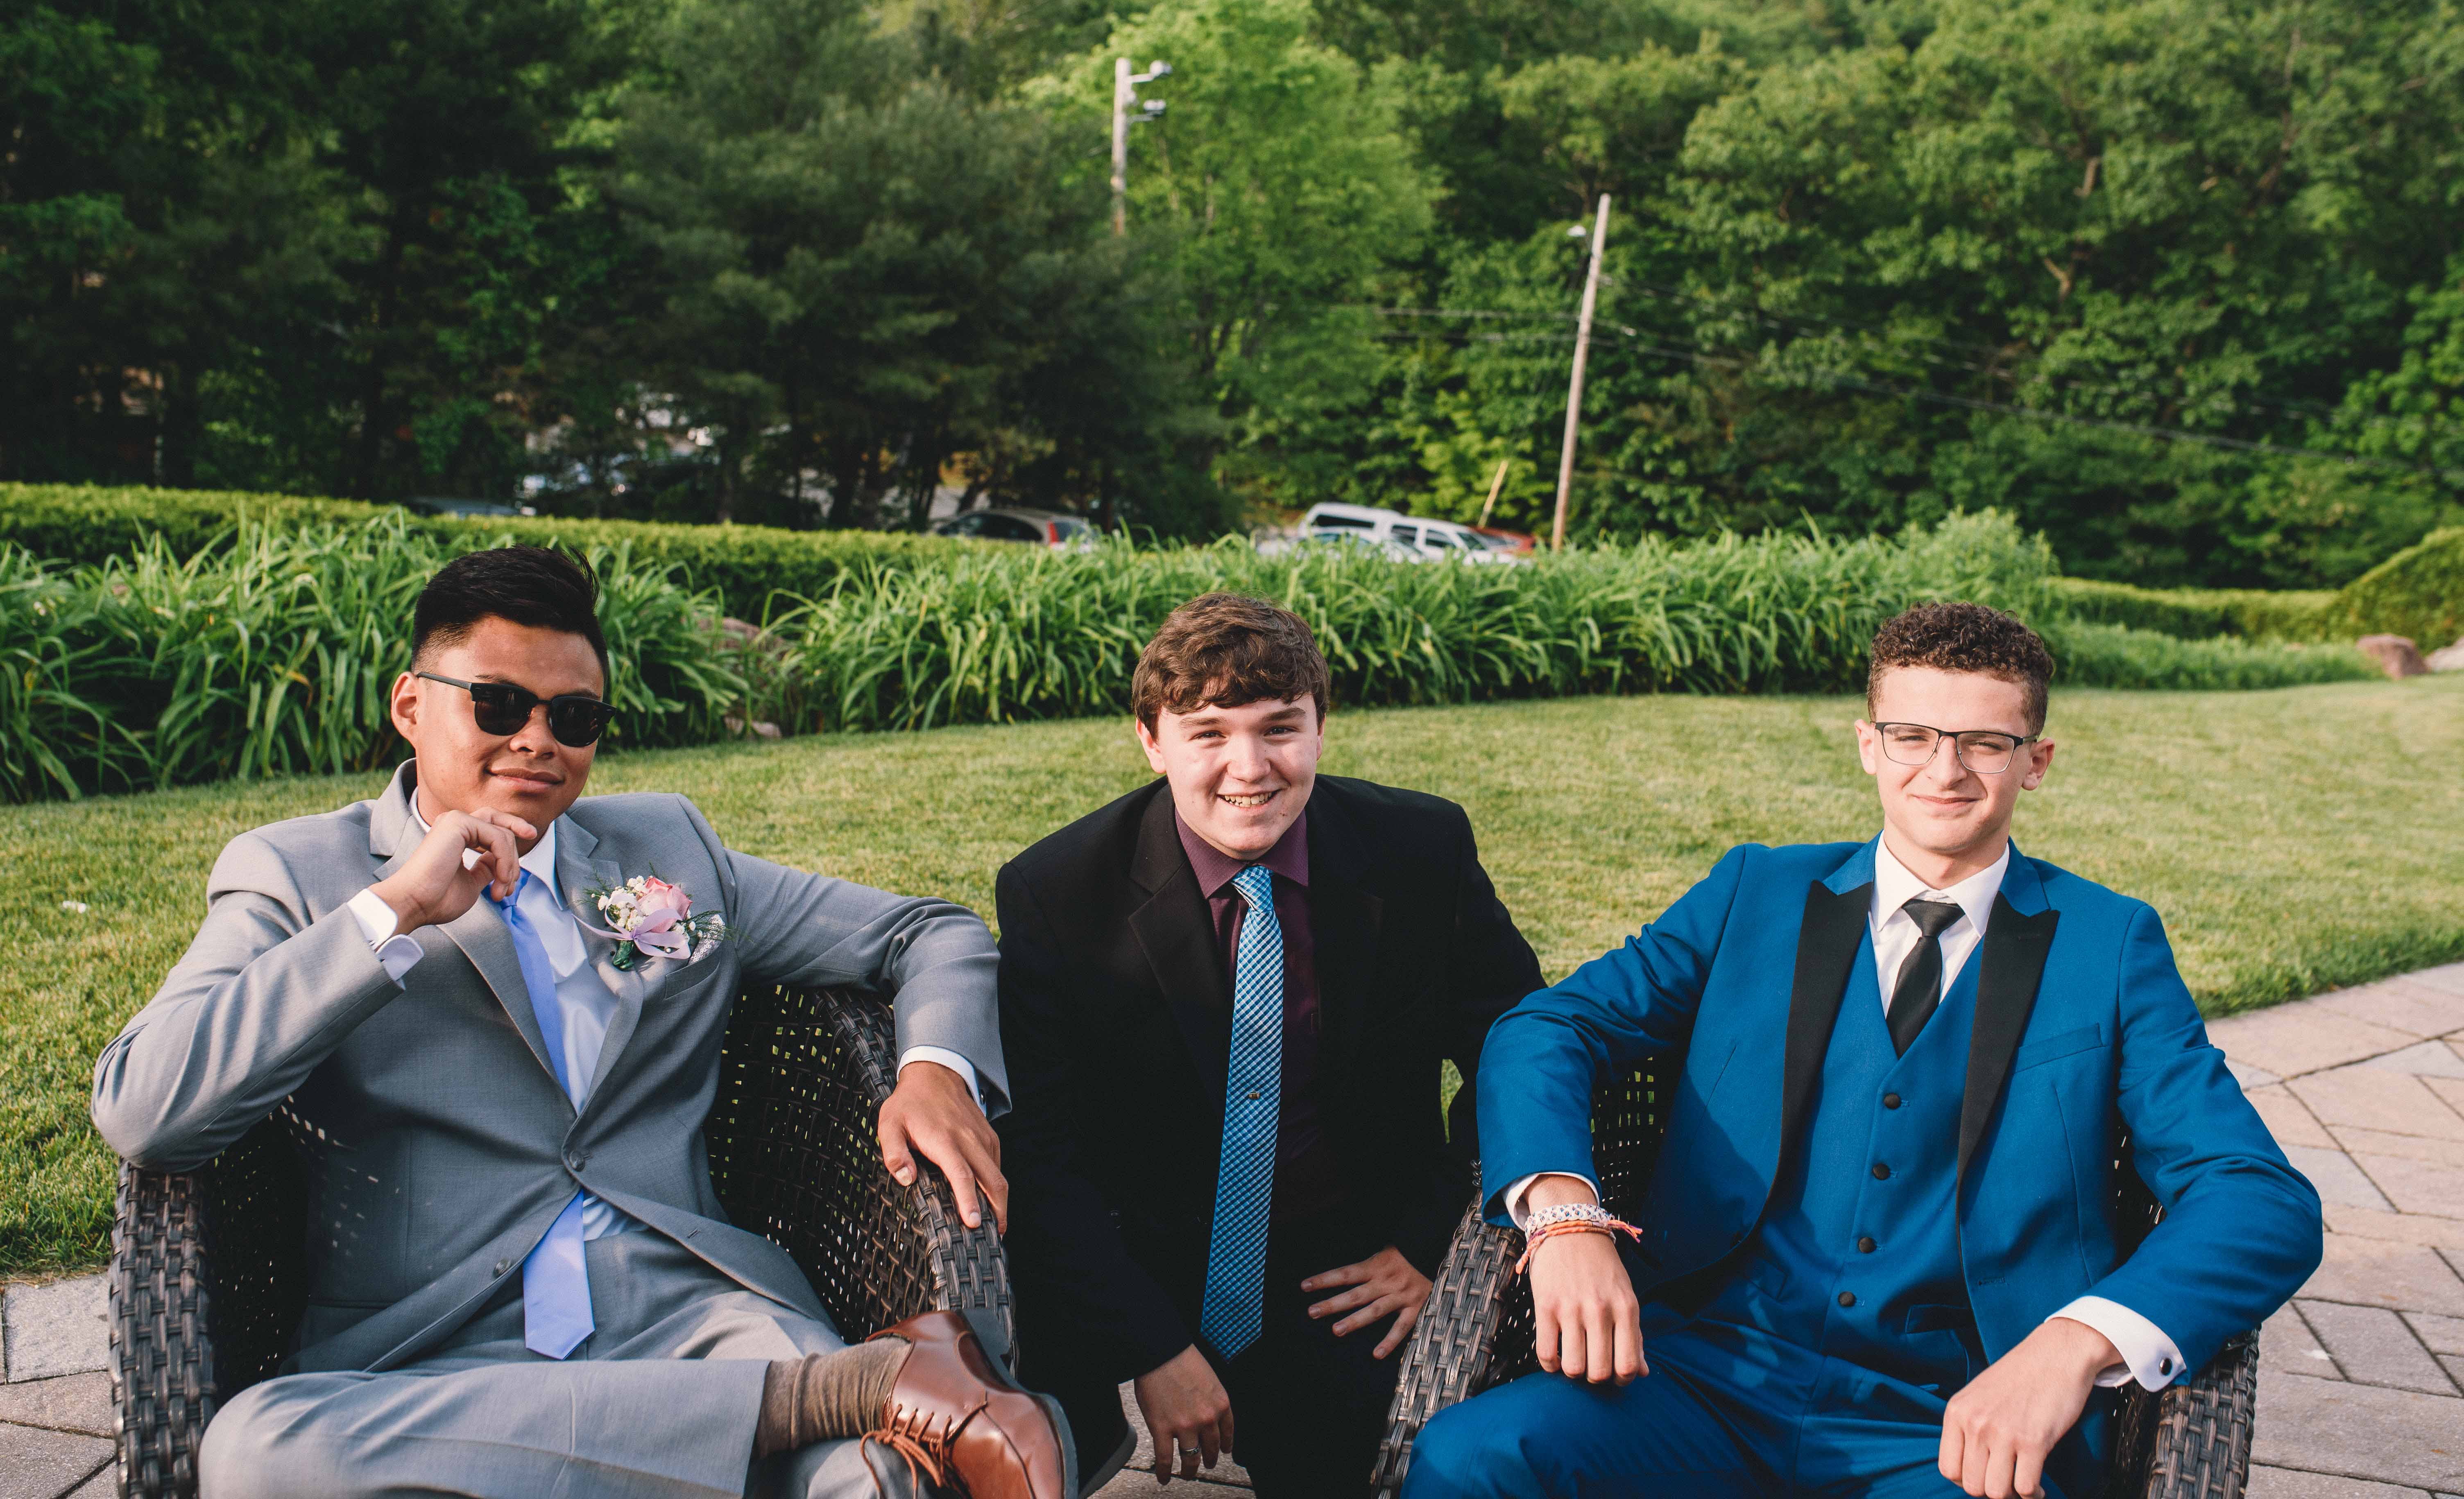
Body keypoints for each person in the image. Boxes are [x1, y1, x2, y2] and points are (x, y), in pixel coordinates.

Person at [91, 545, 1073, 1499]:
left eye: (572, 715)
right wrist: (395, 908)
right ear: (409, 705)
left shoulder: (671, 849)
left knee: (871, 1477)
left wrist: (934, 1070)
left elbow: (927, 931)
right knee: (258, 1454)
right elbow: (148, 1109)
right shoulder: (296, 873)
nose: (537, 738)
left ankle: (810, 1407)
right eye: (497, 704)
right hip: (427, 1353)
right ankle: (840, 1391)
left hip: (695, 1321)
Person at [1404, 601, 2324, 1499]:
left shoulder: (2109, 945)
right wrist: (1565, 1217)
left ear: (2035, 761)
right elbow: (1547, 1027)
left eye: (1984, 743)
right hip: (1697, 1373)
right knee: (1472, 1458)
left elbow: (2257, 1195)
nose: (1944, 771)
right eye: (1912, 736)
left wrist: (2073, 1343)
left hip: (1952, 1423)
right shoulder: (1754, 892)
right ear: (1867, 744)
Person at [993, 593, 1546, 1498]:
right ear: (1151, 740)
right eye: (1208, 733)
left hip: (1345, 1264)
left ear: (1321, 728)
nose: (1248, 768)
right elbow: (1041, 1147)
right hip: (1139, 1256)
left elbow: (1521, 1047)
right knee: (1028, 1456)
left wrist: (1429, 1241)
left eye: (1279, 727)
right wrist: (1151, 1345)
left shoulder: (1421, 848)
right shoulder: (1058, 893)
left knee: (1360, 1468)